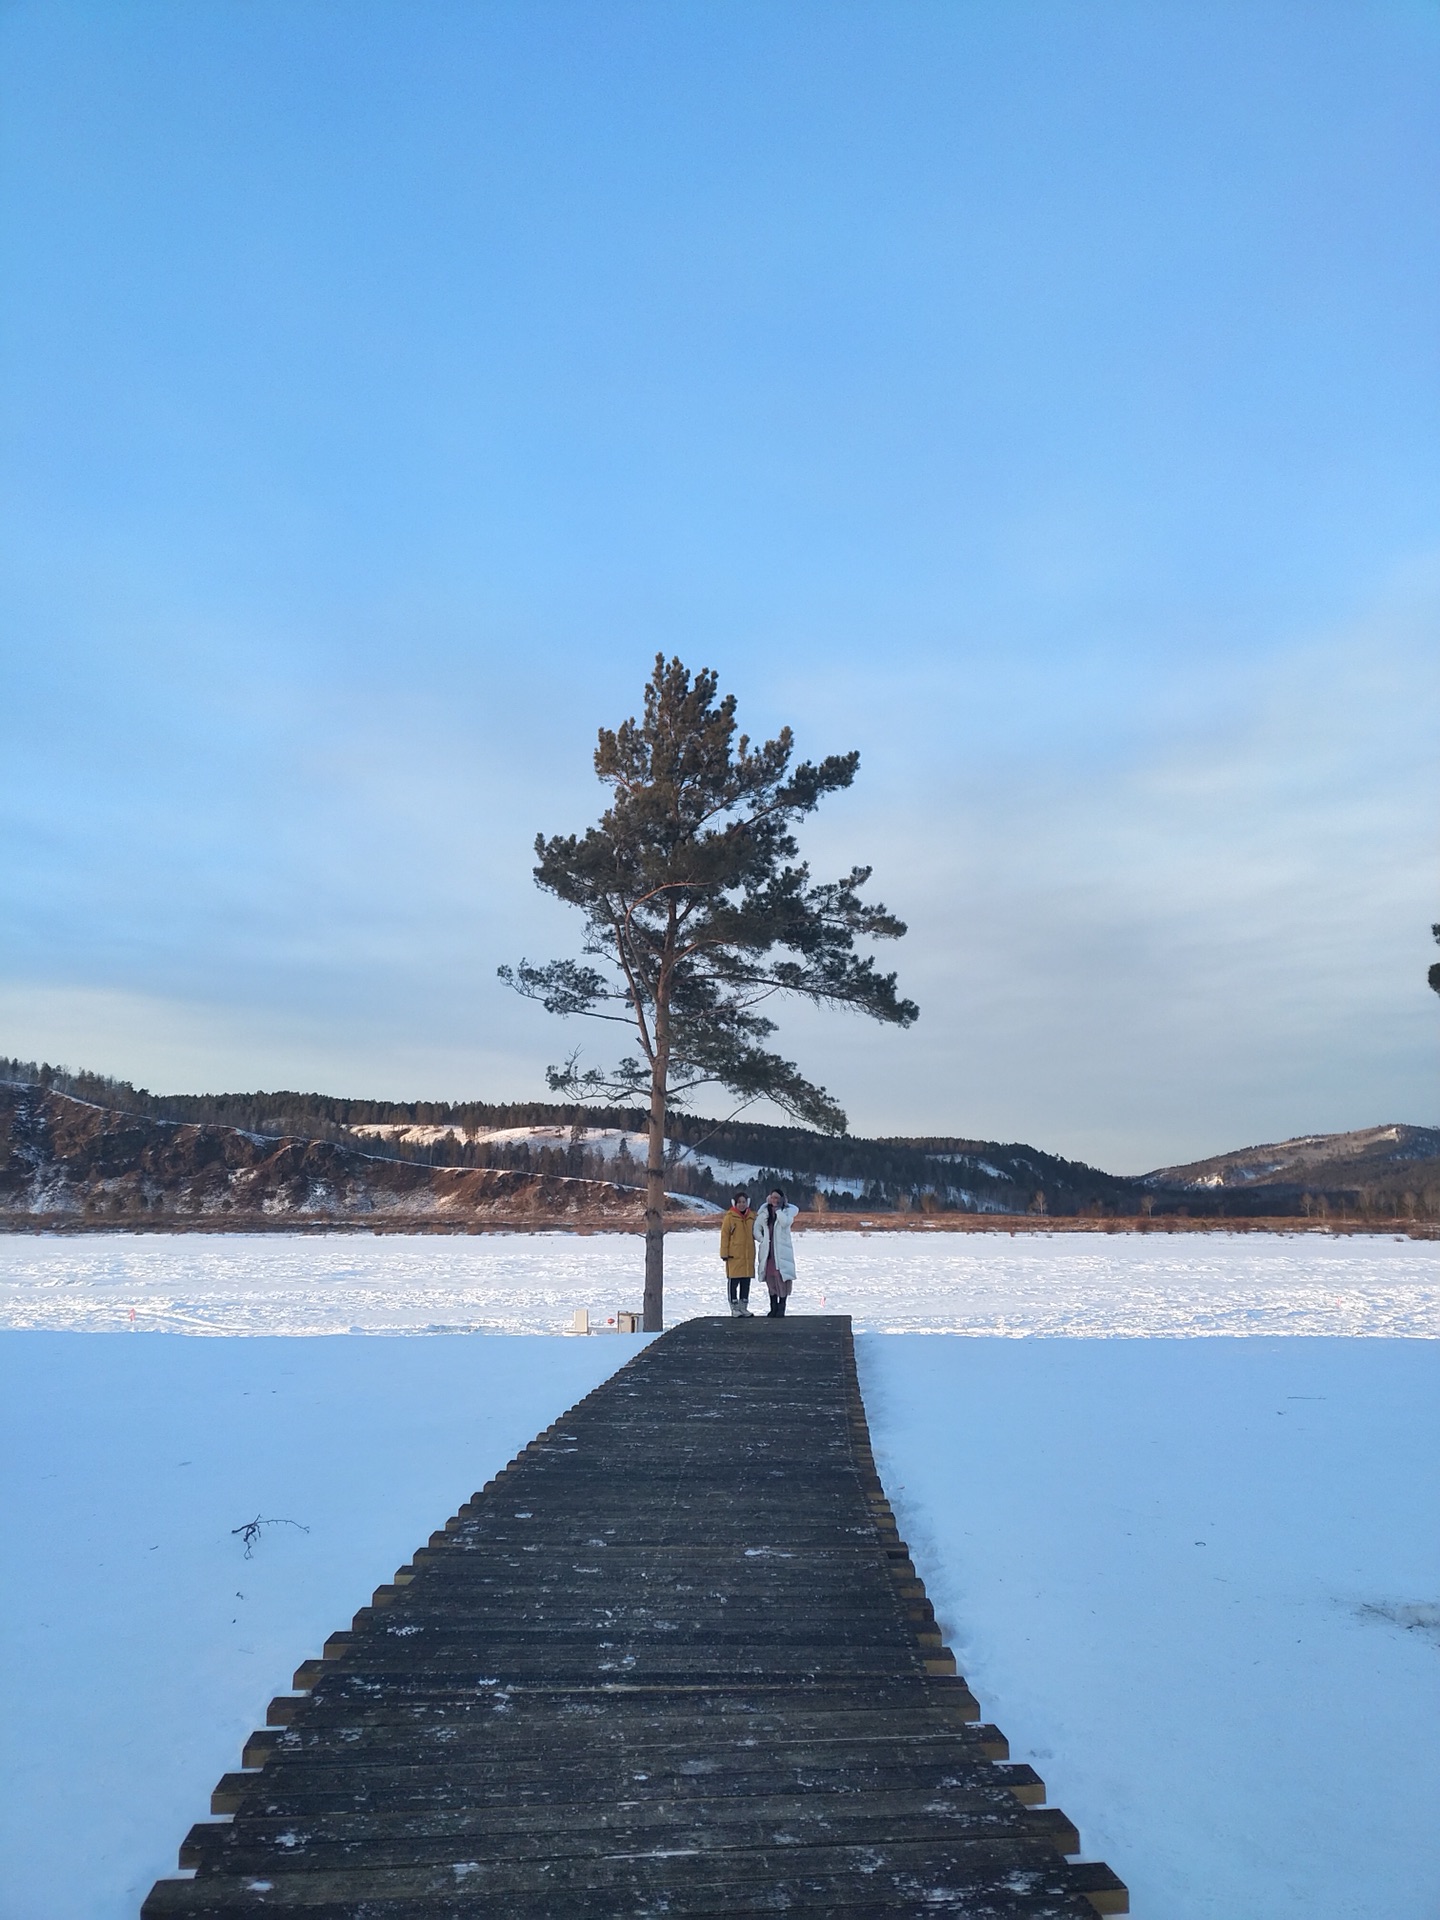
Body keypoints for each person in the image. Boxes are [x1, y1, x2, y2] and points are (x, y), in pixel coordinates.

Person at [754, 1188, 799, 1317]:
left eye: (777, 1198)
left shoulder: (787, 1213)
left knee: (781, 1279)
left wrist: (778, 1210)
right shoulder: (764, 1213)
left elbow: (785, 1223)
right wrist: (762, 1239)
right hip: (768, 1252)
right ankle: (773, 1306)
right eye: (773, 1197)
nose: (775, 1200)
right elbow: (756, 1228)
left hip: (781, 1252)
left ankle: (782, 1306)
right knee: (770, 1279)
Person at [719, 1188, 756, 1316]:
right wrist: (724, 1253)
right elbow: (724, 1235)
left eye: (744, 1202)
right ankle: (734, 1308)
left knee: (746, 1282)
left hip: (747, 1256)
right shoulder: (730, 1217)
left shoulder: (752, 1217)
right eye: (739, 1202)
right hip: (733, 1255)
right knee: (733, 1282)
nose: (742, 1204)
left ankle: (743, 1306)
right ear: (735, 1203)